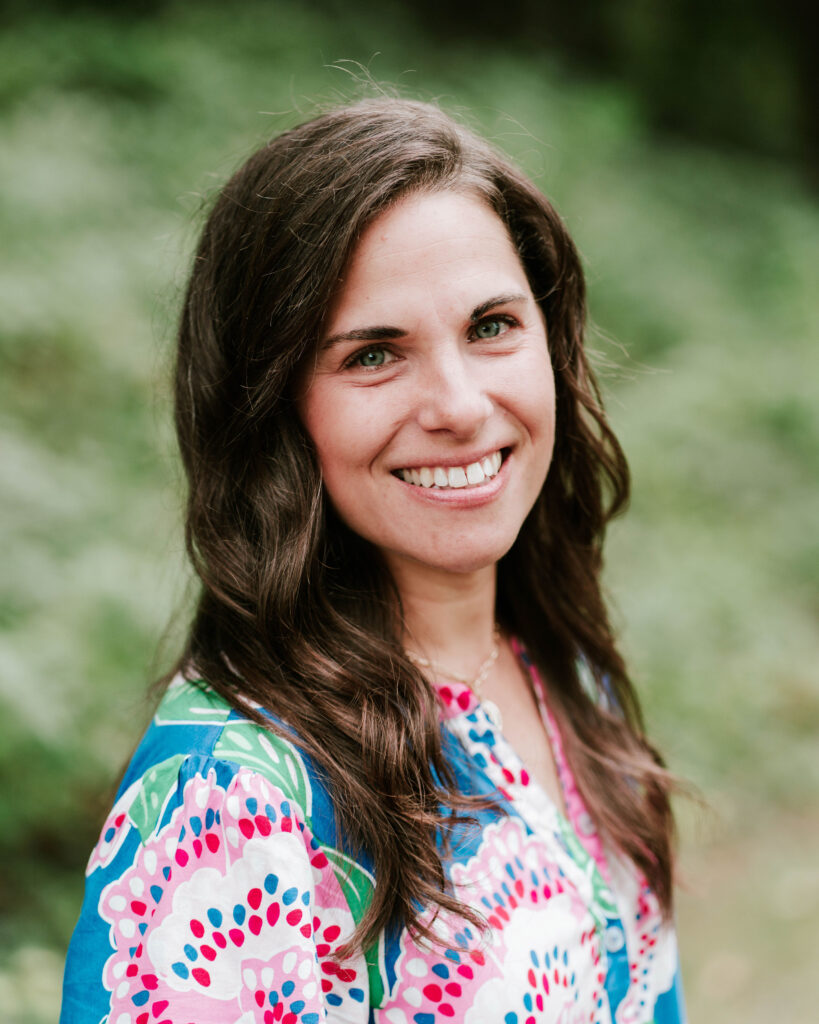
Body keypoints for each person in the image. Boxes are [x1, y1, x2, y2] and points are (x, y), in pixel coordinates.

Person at [61, 96, 686, 1023]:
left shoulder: (566, 674)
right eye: (373, 355)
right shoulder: (236, 797)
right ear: (272, 411)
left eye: (490, 327)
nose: (460, 404)